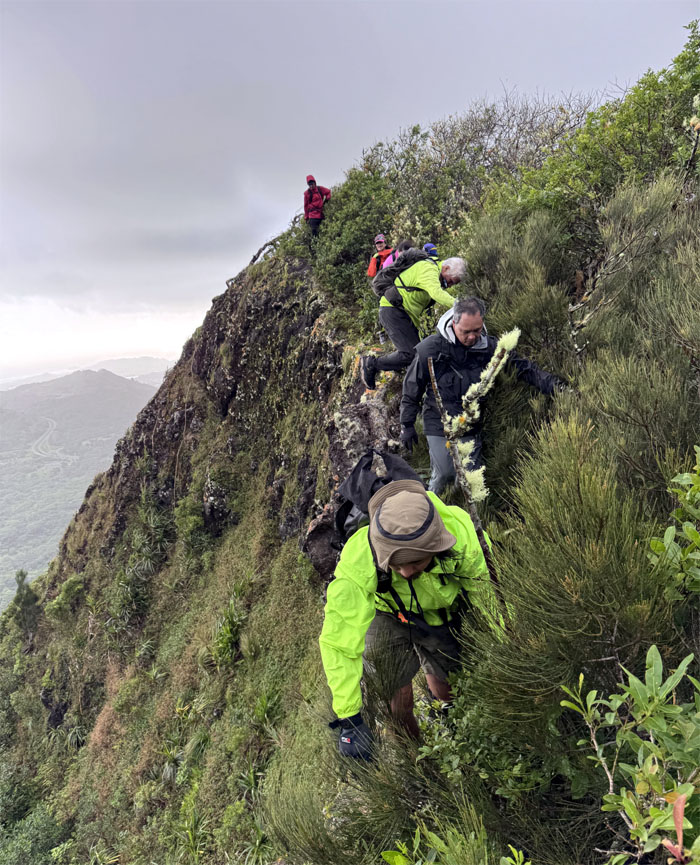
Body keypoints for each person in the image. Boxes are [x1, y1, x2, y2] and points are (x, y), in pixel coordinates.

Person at [319, 479, 490, 755]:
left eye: (417, 563)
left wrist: (505, 647)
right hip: (386, 612)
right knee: (397, 697)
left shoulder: (461, 534)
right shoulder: (361, 554)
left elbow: (488, 596)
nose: (407, 573)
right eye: (397, 565)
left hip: (440, 611)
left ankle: (450, 721)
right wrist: (350, 719)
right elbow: (339, 637)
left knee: (449, 687)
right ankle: (415, 756)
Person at [400, 296, 563, 494]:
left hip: (471, 423)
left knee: (472, 484)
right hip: (438, 422)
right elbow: (412, 387)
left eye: (476, 331)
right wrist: (407, 424)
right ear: (454, 323)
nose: (471, 337)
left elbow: (524, 368)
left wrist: (556, 387)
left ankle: (470, 521)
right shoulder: (431, 349)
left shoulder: (490, 348)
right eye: (465, 332)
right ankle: (431, 512)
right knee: (444, 475)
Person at [360, 256, 467, 390]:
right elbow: (436, 293)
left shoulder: (435, 274)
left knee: (419, 354)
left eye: (453, 284)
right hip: (393, 310)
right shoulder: (429, 269)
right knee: (410, 354)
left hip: (403, 315)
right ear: (445, 268)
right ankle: (372, 364)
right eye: (450, 281)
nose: (449, 285)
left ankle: (402, 374)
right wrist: (462, 307)